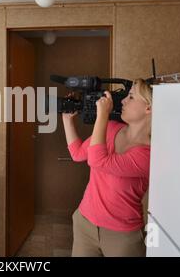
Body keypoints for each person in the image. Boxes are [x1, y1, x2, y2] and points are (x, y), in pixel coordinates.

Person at [62, 79, 152, 257]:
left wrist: (102, 115)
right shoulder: (110, 128)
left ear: (148, 108)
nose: (124, 101)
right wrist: (67, 121)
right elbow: (78, 153)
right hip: (85, 223)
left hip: (122, 236)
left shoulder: (148, 154)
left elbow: (98, 161)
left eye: (131, 97)